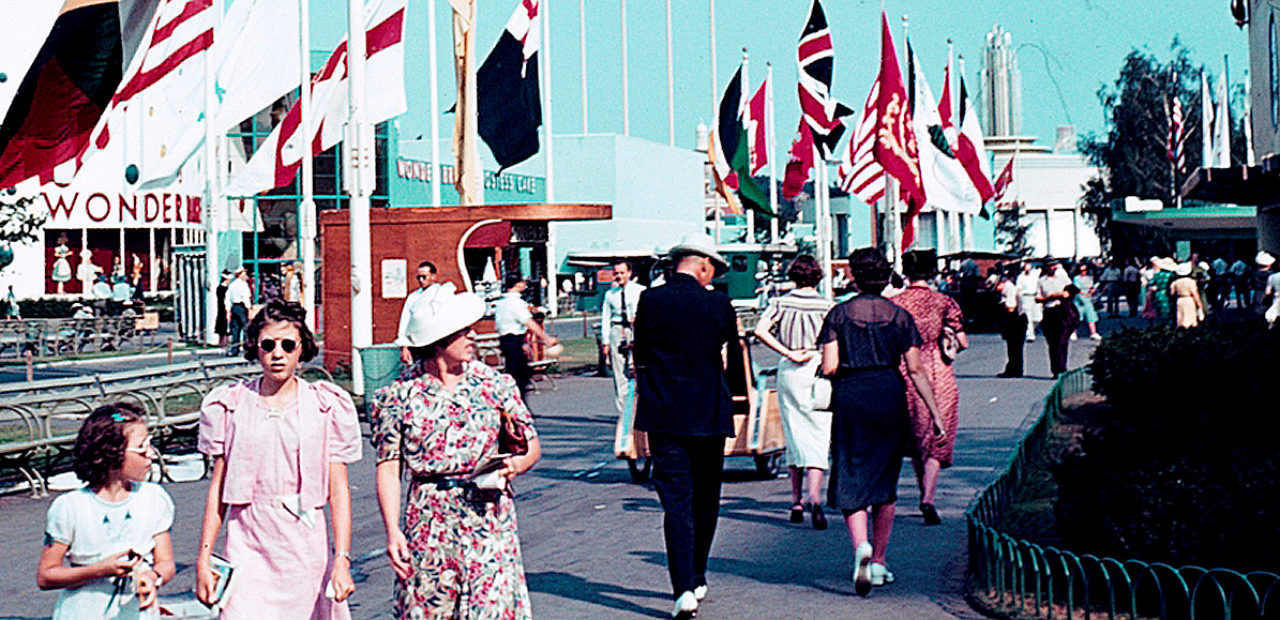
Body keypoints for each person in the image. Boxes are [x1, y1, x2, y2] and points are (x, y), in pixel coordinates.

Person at [370, 287, 541, 619]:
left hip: (488, 517)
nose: (473, 335)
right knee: (431, 608)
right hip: (429, 521)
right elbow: (388, 468)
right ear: (438, 340)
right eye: (463, 330)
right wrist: (392, 531)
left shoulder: (495, 385)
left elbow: (531, 446)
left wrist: (514, 466)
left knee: (490, 610)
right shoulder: (399, 396)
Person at [195, 300, 361, 618]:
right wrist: (204, 558)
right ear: (256, 348)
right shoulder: (231, 404)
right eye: (268, 345)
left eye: (288, 345)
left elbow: (339, 490)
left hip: (303, 550)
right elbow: (218, 488)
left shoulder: (324, 405)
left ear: (302, 349)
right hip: (247, 546)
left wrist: (341, 558)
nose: (277, 354)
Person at [819, 248, 943, 597]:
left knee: (851, 471)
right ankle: (879, 561)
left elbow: (829, 366)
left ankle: (861, 546)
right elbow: (915, 369)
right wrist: (934, 412)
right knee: (885, 479)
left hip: (851, 396)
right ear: (887, 276)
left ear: (854, 276)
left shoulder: (838, 314)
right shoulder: (900, 317)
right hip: (889, 395)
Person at [632, 233, 737, 619]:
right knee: (706, 497)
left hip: (664, 412)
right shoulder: (718, 303)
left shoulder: (650, 299)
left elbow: (641, 354)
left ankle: (683, 590)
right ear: (704, 264)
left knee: (676, 502)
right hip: (709, 411)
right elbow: (731, 353)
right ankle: (698, 573)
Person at [37, 402, 176, 619]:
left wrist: (153, 577)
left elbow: (166, 562)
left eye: (150, 444)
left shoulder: (154, 498)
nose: (150, 453)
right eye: (142, 447)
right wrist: (99, 570)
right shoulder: (71, 507)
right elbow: (46, 576)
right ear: (111, 453)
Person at [752, 255, 833, 529]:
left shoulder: (780, 303)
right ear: (817, 276)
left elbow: (760, 330)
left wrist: (788, 352)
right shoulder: (827, 306)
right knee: (818, 435)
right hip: (818, 368)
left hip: (790, 368)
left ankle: (796, 500)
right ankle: (815, 497)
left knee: (794, 433)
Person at [890, 250, 966, 526]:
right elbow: (963, 341)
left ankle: (922, 492)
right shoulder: (944, 302)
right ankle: (928, 498)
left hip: (902, 371)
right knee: (936, 434)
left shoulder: (894, 303)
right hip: (937, 371)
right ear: (932, 271)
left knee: (913, 434)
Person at [494, 276, 557, 401]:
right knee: (519, 376)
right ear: (517, 284)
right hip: (513, 340)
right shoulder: (516, 303)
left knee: (516, 374)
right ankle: (518, 404)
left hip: (506, 340)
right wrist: (546, 338)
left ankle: (516, 402)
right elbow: (528, 322)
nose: (525, 285)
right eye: (522, 282)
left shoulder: (501, 302)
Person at [601, 260, 646, 414]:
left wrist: (639, 320)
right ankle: (624, 414)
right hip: (617, 330)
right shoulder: (610, 295)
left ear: (629, 273)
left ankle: (639, 411)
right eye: (616, 273)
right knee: (619, 374)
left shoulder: (640, 291)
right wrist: (606, 342)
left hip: (635, 331)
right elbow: (605, 318)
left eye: (622, 273)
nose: (619, 276)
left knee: (637, 371)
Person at [396, 260, 440, 365]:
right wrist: (404, 346)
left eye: (424, 277)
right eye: (418, 277)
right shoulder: (414, 297)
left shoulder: (441, 294)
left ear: (433, 276)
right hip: (418, 345)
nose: (421, 280)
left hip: (438, 344)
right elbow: (405, 321)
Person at [1037, 260, 1075, 377]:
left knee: (1062, 341)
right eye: (1049, 266)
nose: (1052, 268)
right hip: (1049, 310)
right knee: (1052, 342)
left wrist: (1062, 294)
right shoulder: (1041, 281)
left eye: (1053, 266)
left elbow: (1071, 291)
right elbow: (1038, 298)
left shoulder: (1062, 278)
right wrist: (1050, 296)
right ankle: (1055, 369)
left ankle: (1062, 368)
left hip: (1062, 309)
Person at [996, 267, 1026, 378]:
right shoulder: (1009, 288)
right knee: (1013, 346)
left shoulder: (1009, 288)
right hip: (1017, 317)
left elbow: (1011, 307)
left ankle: (1015, 369)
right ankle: (1014, 368)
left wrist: (1003, 307)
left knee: (1014, 345)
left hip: (1015, 319)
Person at [224, 267, 251, 355]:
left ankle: (234, 349)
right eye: (244, 273)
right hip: (241, 307)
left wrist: (228, 310)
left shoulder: (232, 285)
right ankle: (247, 348)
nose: (245, 275)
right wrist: (249, 309)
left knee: (235, 328)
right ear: (240, 274)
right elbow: (245, 297)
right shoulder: (243, 285)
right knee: (246, 328)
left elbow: (228, 298)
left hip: (234, 307)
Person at [1071, 263, 1102, 340]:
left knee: (1091, 316)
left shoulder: (1090, 278)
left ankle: (1093, 333)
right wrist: (1085, 294)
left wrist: (1092, 291)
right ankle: (1073, 333)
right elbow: (1077, 289)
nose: (1083, 272)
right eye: (1081, 270)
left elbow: (1092, 287)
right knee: (1077, 317)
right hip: (1079, 299)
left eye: (1085, 270)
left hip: (1088, 299)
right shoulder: (1076, 278)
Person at [1171, 263, 1204, 328]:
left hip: (1180, 300)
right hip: (1189, 299)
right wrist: (1199, 304)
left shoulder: (1175, 282)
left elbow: (1172, 292)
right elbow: (1195, 293)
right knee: (1190, 318)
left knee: (1181, 317)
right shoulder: (1191, 281)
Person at [1015, 262, 1041, 341]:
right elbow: (1018, 289)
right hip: (1025, 297)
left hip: (1035, 296)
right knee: (1028, 316)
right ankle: (1030, 335)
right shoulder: (1021, 277)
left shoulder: (1035, 275)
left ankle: (1032, 329)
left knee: (1038, 317)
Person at [1149, 258, 1176, 324]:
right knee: (1168, 313)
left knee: (1159, 313)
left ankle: (1159, 326)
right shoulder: (1172, 276)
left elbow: (1150, 284)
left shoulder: (1157, 275)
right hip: (1167, 295)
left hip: (1158, 294)